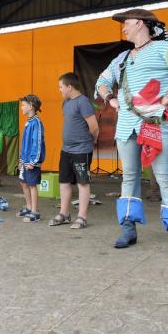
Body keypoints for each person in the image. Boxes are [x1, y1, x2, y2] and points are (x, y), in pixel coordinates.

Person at [95, 8, 168, 258]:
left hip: (154, 123)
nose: (123, 28)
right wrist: (110, 98)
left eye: (127, 23)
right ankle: (128, 228)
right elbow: (102, 82)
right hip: (125, 126)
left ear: (141, 24)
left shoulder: (164, 49)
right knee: (129, 177)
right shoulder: (121, 58)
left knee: (165, 177)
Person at [49, 73, 99, 229]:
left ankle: (82, 217)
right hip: (66, 150)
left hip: (81, 150)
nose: (59, 89)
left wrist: (93, 140)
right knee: (64, 182)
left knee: (82, 183)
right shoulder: (65, 103)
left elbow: (94, 127)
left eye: (61, 87)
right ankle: (64, 214)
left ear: (69, 87)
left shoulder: (83, 102)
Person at [17, 94, 46, 222]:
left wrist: (33, 161)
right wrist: (21, 160)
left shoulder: (36, 123)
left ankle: (35, 212)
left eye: (23, 105)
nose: (21, 107)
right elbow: (24, 143)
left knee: (32, 185)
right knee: (23, 182)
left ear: (31, 106)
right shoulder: (28, 122)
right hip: (25, 161)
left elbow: (37, 143)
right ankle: (29, 207)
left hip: (32, 162)